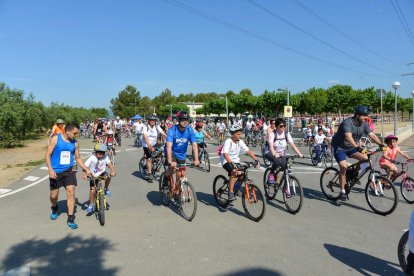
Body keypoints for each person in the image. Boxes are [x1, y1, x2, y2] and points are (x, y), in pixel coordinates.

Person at [331, 105, 385, 201]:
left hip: (351, 147)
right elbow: (348, 137)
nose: (366, 117)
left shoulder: (363, 124)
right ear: (357, 115)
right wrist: (358, 147)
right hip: (339, 147)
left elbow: (371, 134)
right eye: (364, 115)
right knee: (343, 167)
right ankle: (342, 191)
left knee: (365, 159)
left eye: (366, 115)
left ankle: (353, 174)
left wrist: (381, 144)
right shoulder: (347, 123)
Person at [45, 123, 92, 229]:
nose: (76, 135)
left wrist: (86, 169)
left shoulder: (75, 143)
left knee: (71, 193)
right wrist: (50, 169)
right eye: (75, 133)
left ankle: (70, 219)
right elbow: (47, 155)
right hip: (55, 172)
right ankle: (54, 207)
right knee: (53, 196)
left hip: (69, 171)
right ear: (67, 131)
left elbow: (78, 159)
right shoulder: (56, 139)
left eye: (77, 133)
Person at [264, 118, 304, 196]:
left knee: (285, 169)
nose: (283, 127)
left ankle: (286, 189)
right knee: (277, 160)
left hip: (281, 154)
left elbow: (292, 145)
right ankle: (271, 174)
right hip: (270, 152)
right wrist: (274, 153)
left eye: (284, 126)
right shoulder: (273, 134)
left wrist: (299, 153)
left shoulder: (286, 134)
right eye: (281, 126)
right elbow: (271, 146)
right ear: (276, 126)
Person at [220, 124, 259, 201]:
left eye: (240, 134)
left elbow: (248, 151)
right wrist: (231, 163)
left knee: (242, 175)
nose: (240, 136)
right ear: (233, 134)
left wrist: (256, 159)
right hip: (226, 161)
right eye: (238, 134)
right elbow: (225, 154)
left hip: (235, 161)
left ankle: (234, 187)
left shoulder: (240, 142)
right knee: (234, 172)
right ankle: (230, 193)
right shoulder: (228, 141)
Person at [164, 111, 200, 191]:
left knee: (179, 175)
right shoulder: (172, 130)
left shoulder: (189, 130)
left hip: (182, 155)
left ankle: (176, 192)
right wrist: (170, 161)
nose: (185, 121)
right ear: (178, 120)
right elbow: (169, 146)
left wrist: (196, 159)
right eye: (183, 119)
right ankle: (165, 177)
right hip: (172, 153)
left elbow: (194, 145)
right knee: (172, 169)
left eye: (187, 120)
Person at [82, 144, 116, 215]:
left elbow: (110, 165)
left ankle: (106, 189)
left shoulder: (105, 157)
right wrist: (84, 174)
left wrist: (113, 171)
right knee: (92, 190)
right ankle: (91, 204)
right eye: (99, 153)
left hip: (102, 172)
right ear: (96, 152)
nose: (101, 155)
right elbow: (85, 166)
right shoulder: (92, 158)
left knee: (108, 176)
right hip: (93, 175)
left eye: (103, 153)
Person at [142, 114, 166, 183]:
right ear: (148, 121)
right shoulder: (145, 127)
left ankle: (155, 160)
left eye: (154, 120)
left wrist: (169, 139)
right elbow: (145, 137)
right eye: (151, 120)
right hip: (146, 144)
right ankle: (150, 174)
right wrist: (149, 146)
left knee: (162, 151)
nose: (152, 121)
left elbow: (163, 133)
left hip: (154, 143)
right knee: (149, 158)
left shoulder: (157, 126)